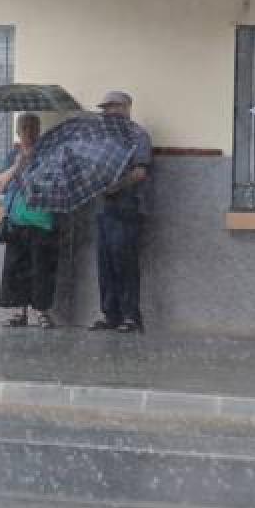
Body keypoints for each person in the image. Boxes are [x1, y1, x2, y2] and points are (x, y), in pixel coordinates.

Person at [89, 91, 153, 334]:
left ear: (126, 108)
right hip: (104, 208)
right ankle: (110, 314)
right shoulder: (103, 140)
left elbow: (140, 172)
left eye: (112, 107)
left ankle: (130, 316)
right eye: (105, 109)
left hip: (127, 206)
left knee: (124, 261)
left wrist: (116, 186)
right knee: (105, 263)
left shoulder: (138, 136)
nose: (107, 113)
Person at [0, 113, 60, 329]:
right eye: (24, 128)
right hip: (17, 221)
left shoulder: (49, 154)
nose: (29, 132)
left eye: (32, 127)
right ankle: (19, 312)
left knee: (41, 268)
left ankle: (42, 312)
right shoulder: (13, 155)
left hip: (42, 220)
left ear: (39, 130)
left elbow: (57, 183)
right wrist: (16, 167)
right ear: (18, 132)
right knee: (16, 267)